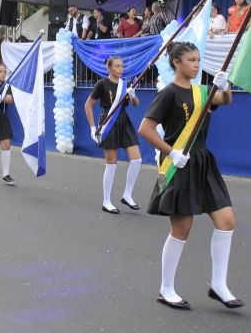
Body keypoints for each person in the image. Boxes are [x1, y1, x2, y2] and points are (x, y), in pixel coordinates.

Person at [138, 42, 242, 310]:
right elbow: (146, 129)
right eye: (192, 60)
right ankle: (166, 288)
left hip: (203, 161)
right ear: (177, 63)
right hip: (180, 164)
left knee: (227, 221)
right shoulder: (168, 94)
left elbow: (225, 100)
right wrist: (171, 153)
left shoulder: (203, 92)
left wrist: (225, 85)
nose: (197, 64)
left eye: (198, 60)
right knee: (182, 229)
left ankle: (219, 285)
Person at [84, 56, 142, 214]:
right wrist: (92, 127)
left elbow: (136, 104)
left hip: (125, 122)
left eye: (122, 66)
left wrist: (133, 95)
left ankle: (127, 194)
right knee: (111, 163)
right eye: (117, 66)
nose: (121, 69)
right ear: (109, 68)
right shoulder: (102, 84)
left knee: (137, 159)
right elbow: (88, 105)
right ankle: (106, 201)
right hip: (108, 123)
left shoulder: (126, 84)